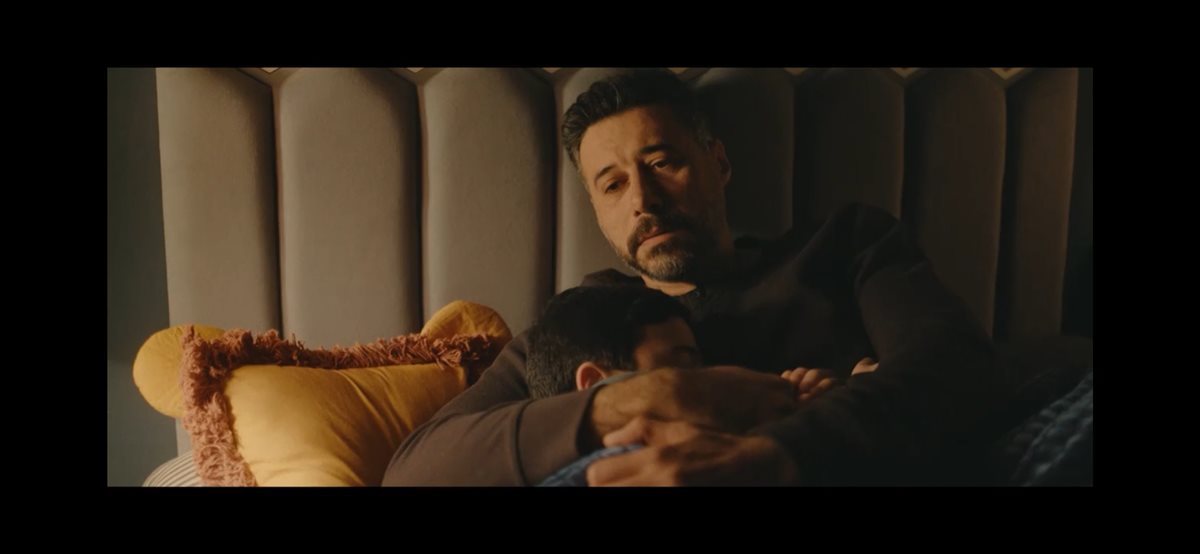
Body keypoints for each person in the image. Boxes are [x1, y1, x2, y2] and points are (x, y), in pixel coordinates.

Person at [382, 69, 1008, 486]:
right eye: (613, 184)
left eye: (662, 163)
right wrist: (638, 399)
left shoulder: (845, 245)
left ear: (719, 162)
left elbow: (956, 365)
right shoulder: (579, 319)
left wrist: (781, 453)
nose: (643, 200)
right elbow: (415, 470)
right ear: (597, 210)